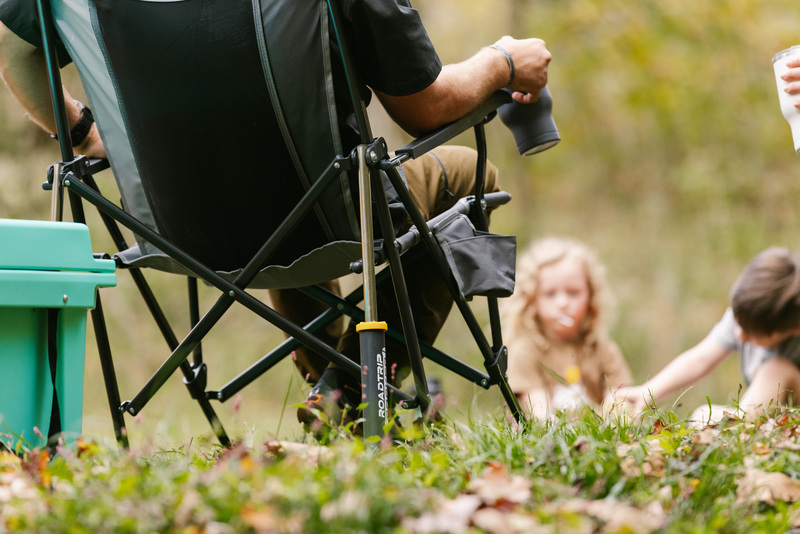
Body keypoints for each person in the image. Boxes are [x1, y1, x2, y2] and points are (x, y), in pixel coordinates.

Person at [0, 0, 552, 429]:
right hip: (323, 214)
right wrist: (501, 61)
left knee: (293, 197)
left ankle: (336, 392)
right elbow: (425, 108)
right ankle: (354, 390)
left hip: (171, 228)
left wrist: (79, 132)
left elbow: (15, 48)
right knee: (464, 177)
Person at [610, 247, 800, 425]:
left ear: (795, 328)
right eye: (738, 323)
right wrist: (648, 392)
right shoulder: (747, 314)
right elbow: (700, 358)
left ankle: (738, 422)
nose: (739, 335)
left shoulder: (779, 320)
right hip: (770, 417)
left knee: (775, 370)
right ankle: (733, 421)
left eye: (751, 334)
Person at [502, 237, 632, 419]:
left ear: (590, 295)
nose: (562, 303)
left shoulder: (603, 350)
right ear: (532, 300)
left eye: (573, 292)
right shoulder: (526, 351)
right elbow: (539, 412)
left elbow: (621, 401)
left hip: (600, 441)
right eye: (550, 294)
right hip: (551, 441)